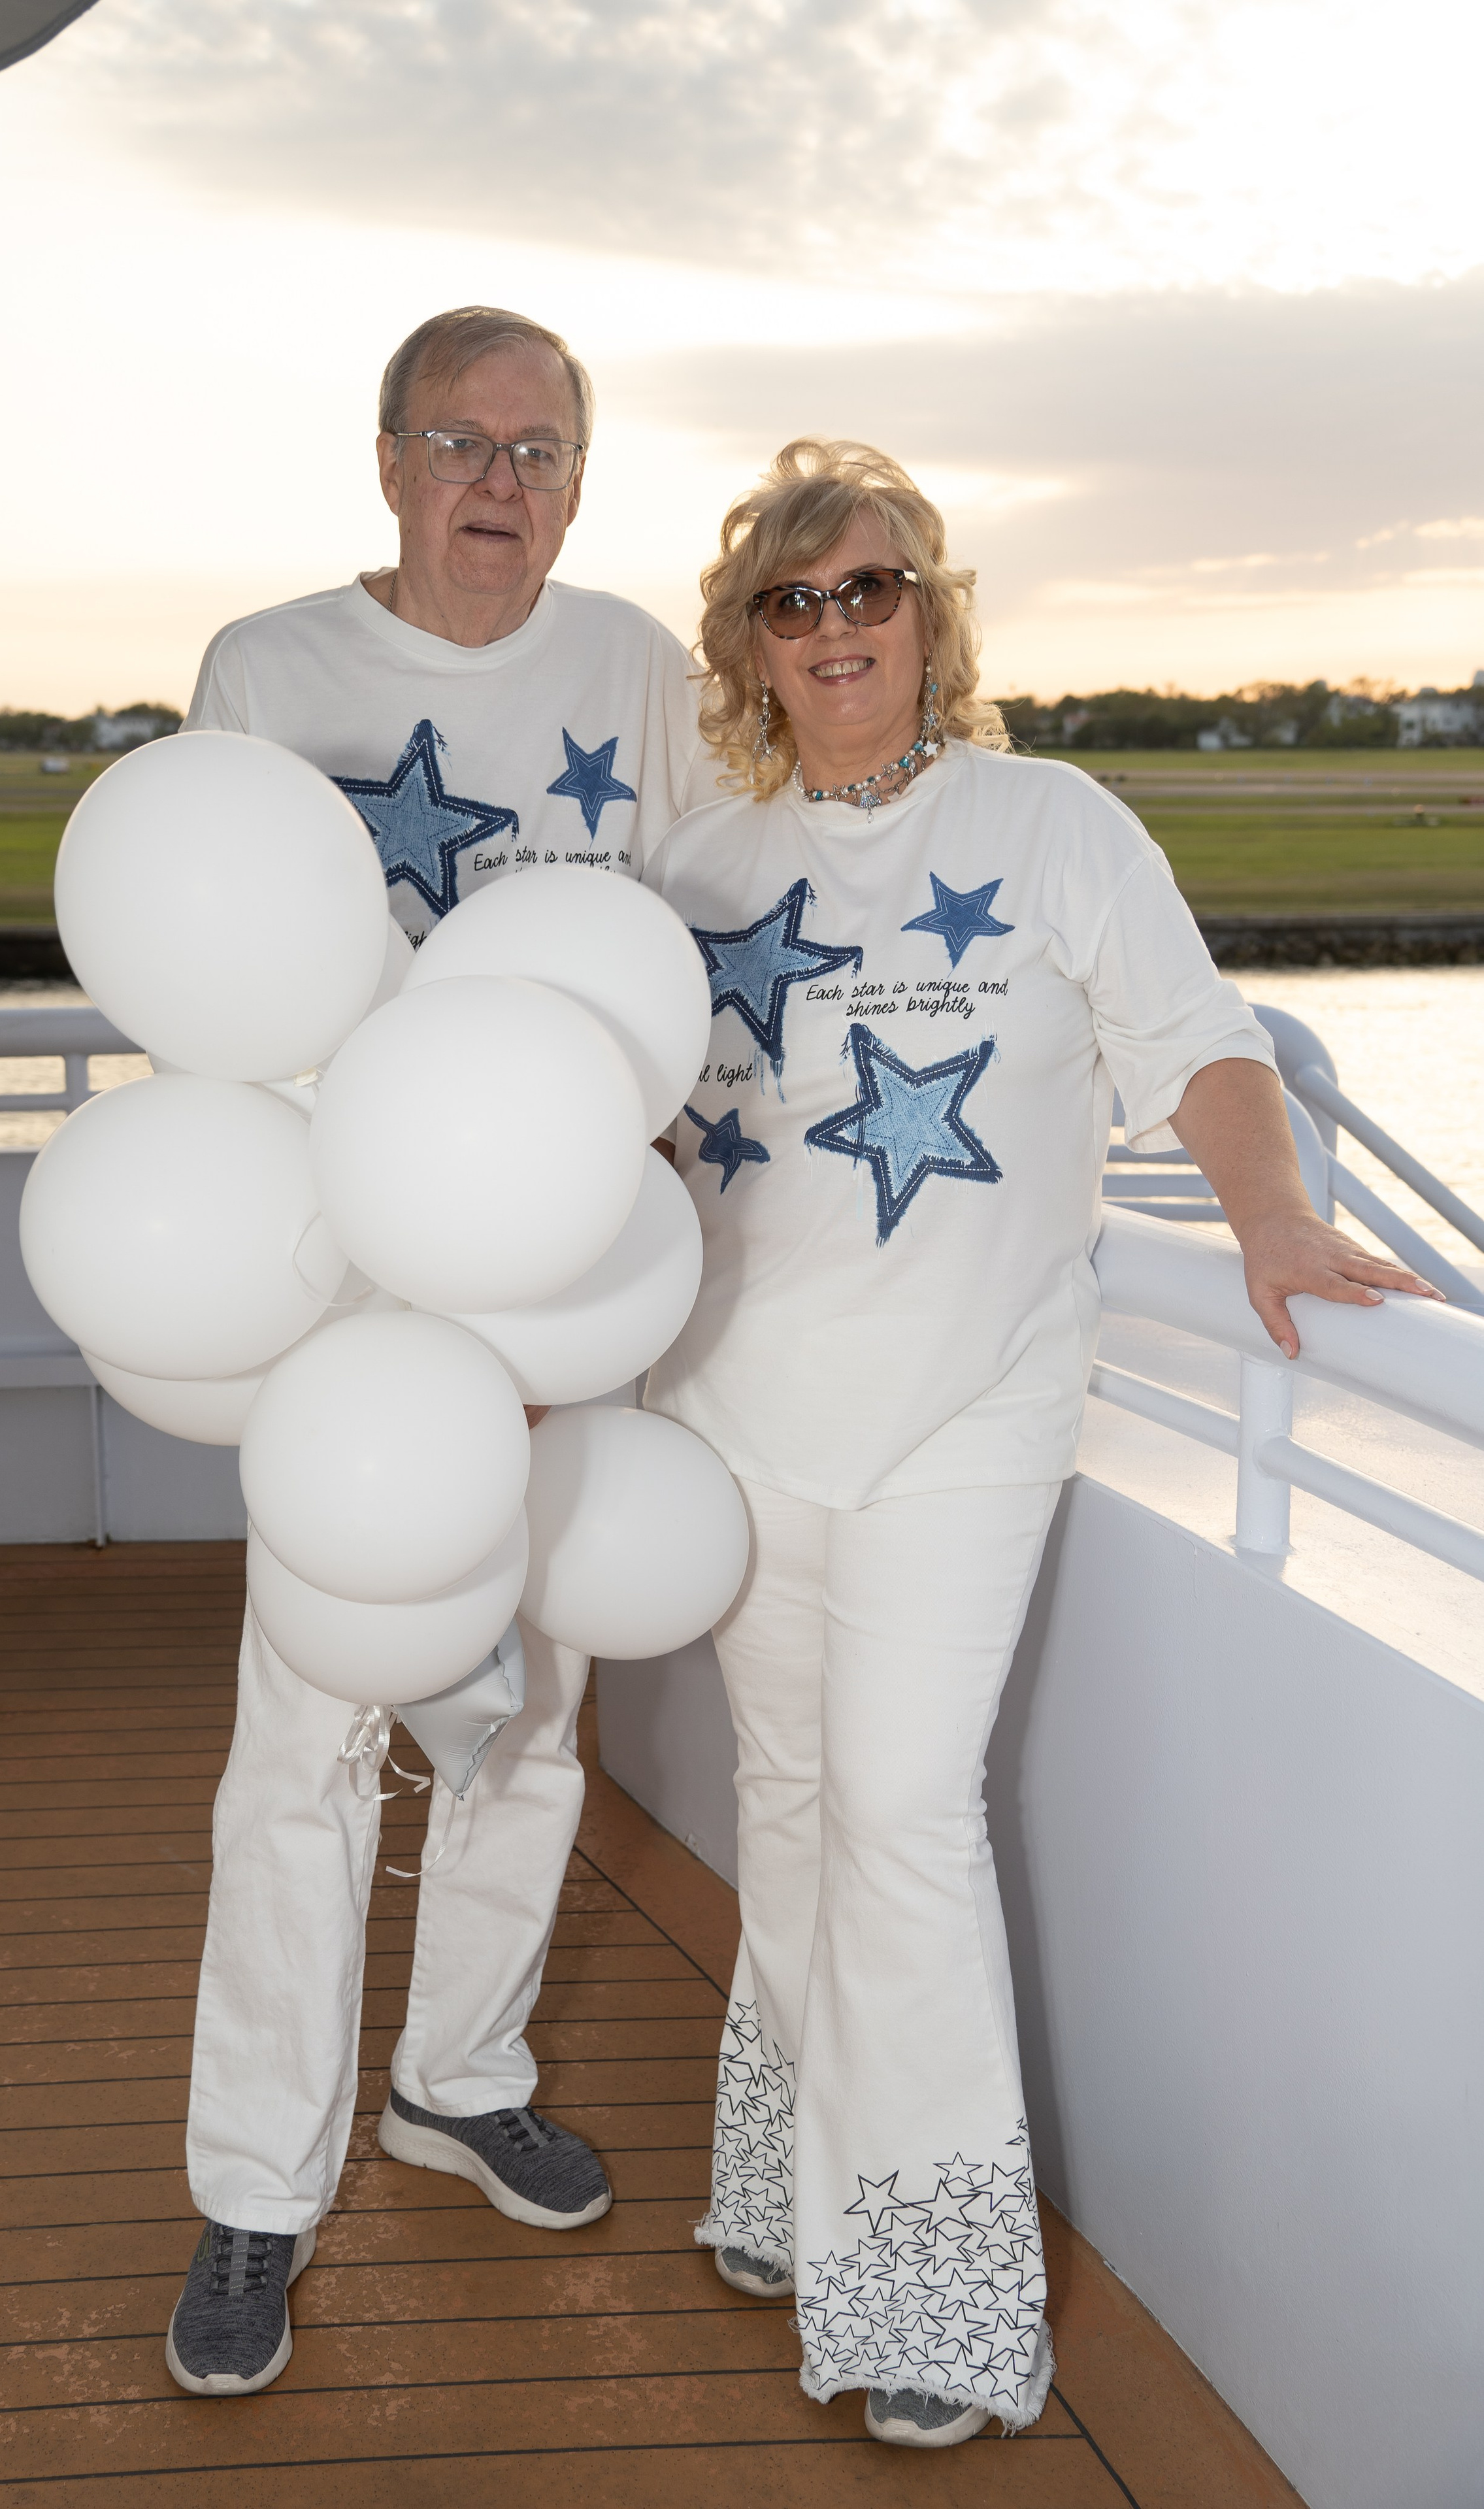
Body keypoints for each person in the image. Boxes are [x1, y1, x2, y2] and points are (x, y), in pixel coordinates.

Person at [641, 438, 1438, 2451]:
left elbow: (1203, 1048)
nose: (838, 630)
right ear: (751, 640)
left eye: (873, 590)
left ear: (933, 615)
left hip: (967, 1409)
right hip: (742, 1403)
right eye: (796, 600)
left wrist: (1269, 1219)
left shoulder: (1055, 822)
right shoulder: (705, 872)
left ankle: (928, 2294)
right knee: (794, 1792)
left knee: (898, 1807)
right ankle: (785, 2182)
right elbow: (641, 1138)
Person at [165, 308, 715, 2398]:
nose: (503, 483)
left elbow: (703, 935)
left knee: (540, 1714)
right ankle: (252, 2186)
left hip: (573, 1273)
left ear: (582, 476)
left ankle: (460, 2076)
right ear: (386, 459)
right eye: (463, 442)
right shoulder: (266, 672)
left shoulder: (642, 671)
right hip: (348, 1293)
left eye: (545, 450)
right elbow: (218, 985)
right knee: (301, 1752)